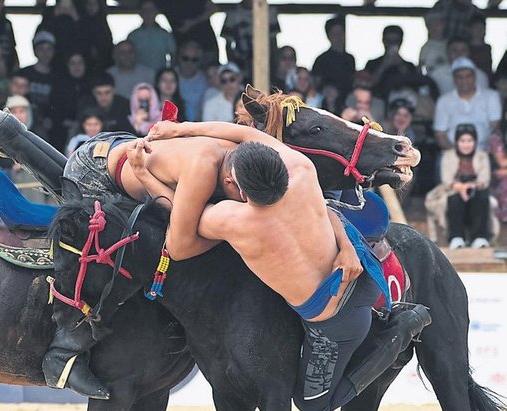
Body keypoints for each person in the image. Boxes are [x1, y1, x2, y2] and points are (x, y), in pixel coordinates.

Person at [143, 120, 431, 410]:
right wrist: (181, 128)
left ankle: (399, 332)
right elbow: (246, 133)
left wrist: (146, 176)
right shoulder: (301, 169)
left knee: (312, 405)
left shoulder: (234, 220)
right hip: (357, 268)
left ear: (241, 192)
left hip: (337, 318)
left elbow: (180, 238)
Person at [433, 57, 501, 151]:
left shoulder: (491, 96)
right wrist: (457, 154)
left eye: (468, 76)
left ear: (475, 77)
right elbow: (440, 134)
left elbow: (495, 128)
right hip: (452, 152)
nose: (464, 80)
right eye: (460, 77)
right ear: (454, 79)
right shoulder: (443, 101)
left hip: (483, 151)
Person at [440, 124, 491, 249]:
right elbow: (446, 179)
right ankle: (456, 237)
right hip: (453, 188)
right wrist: (460, 188)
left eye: (470, 141)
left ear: (475, 142)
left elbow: (485, 178)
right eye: (462, 141)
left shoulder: (482, 156)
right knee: (455, 199)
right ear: (457, 142)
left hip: (476, 187)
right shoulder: (448, 155)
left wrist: (470, 186)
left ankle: (479, 237)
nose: (466, 144)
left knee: (481, 197)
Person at [364, 25, 417, 99]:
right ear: (383, 41)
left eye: (395, 41)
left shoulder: (409, 66)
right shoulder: (372, 64)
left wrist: (401, 66)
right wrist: (383, 66)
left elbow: (413, 85)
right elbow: (366, 86)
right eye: (388, 41)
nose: (391, 45)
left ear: (401, 42)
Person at [312, 15, 354, 103]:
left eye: (340, 32)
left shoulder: (350, 59)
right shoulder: (321, 60)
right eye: (335, 34)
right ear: (329, 36)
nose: (338, 36)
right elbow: (316, 85)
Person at [126, 0, 175, 73]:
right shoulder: (133, 36)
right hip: (138, 76)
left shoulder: (165, 35)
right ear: (140, 13)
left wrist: (170, 72)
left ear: (156, 12)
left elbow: (173, 56)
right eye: (145, 10)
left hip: (159, 75)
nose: (148, 13)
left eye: (151, 10)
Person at [175, 41, 208, 122]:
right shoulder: (169, 77)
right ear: (179, 58)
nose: (189, 63)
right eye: (185, 58)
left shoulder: (205, 81)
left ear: (199, 61)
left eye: (194, 60)